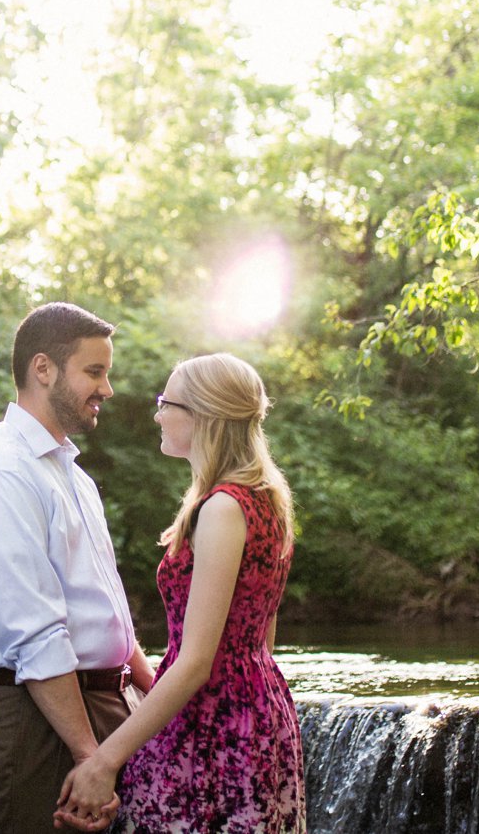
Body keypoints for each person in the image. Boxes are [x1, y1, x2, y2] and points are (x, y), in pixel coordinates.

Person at [55, 353, 305, 834]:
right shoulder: (266, 498)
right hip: (257, 708)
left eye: (166, 402)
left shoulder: (224, 508)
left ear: (204, 415)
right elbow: (261, 635)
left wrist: (105, 761)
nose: (157, 414)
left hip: (213, 726)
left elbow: (196, 662)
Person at [0, 302, 158, 834]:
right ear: (44, 369)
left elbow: (103, 605)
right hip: (38, 724)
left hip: (101, 710)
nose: (107, 389)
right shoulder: (3, 473)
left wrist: (149, 696)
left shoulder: (70, 473)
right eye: (95, 371)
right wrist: (90, 757)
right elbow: (35, 630)